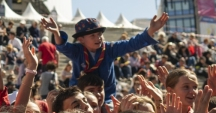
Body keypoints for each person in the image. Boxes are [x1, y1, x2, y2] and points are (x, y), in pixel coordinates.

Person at [41, 14, 169, 100]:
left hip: (106, 97)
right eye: (92, 36)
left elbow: (132, 44)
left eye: (99, 34)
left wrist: (151, 30)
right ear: (81, 39)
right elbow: (63, 46)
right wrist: (56, 33)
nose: (98, 38)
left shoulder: (110, 49)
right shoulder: (77, 51)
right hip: (80, 98)